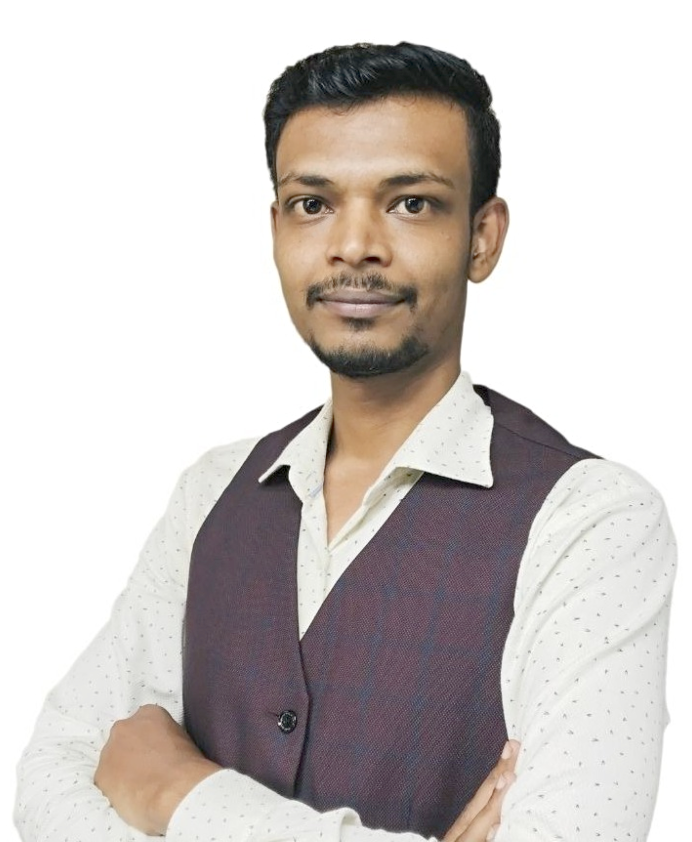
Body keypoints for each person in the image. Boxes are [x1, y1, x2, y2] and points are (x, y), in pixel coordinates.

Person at [15, 41, 676, 842]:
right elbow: (47, 784)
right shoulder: (211, 494)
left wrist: (179, 793)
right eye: (313, 203)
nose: (354, 245)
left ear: (482, 237)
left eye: (411, 203)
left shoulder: (592, 521)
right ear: (276, 229)